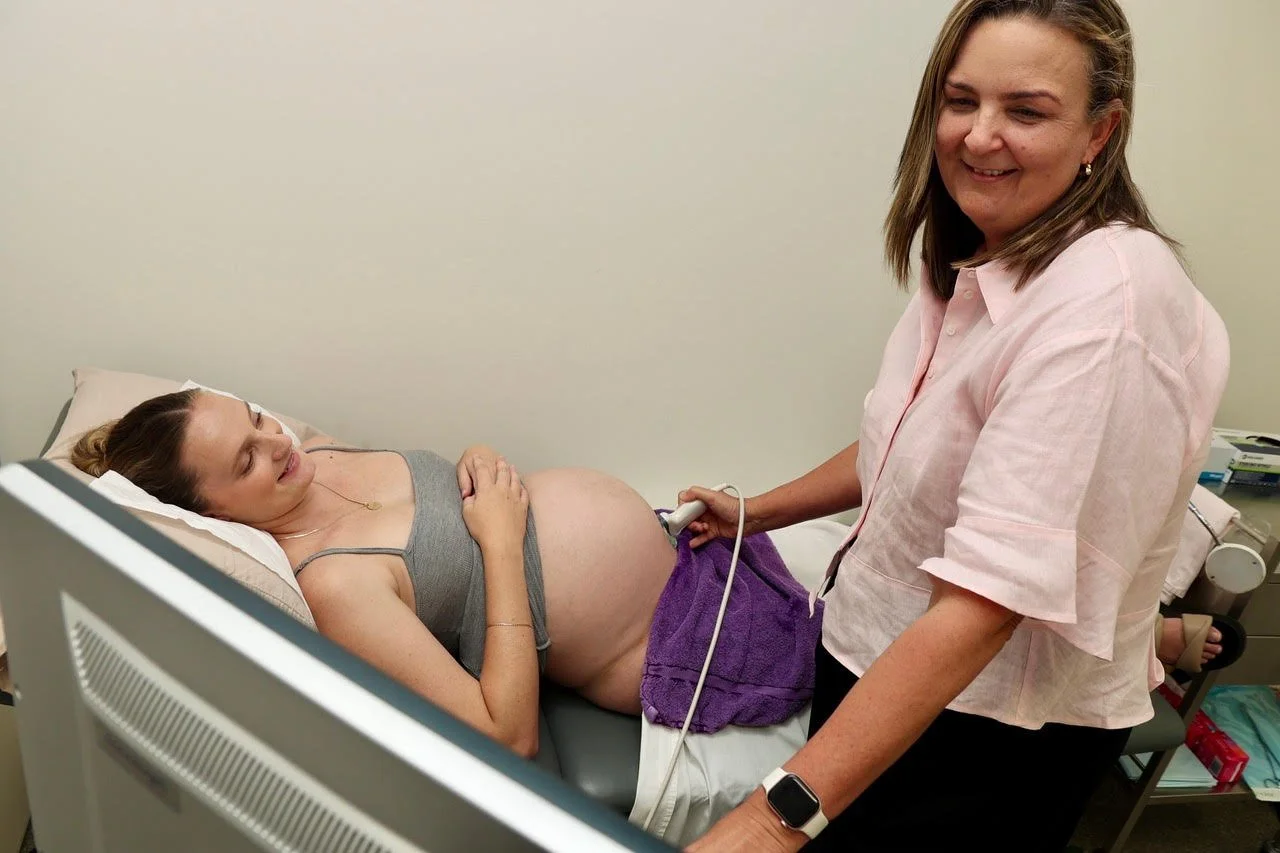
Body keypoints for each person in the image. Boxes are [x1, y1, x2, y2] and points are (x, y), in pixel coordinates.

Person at [682, 1, 1230, 851]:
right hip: (877, 660)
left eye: (1027, 110)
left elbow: (985, 603)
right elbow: (902, 449)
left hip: (988, 723)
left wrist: (773, 817)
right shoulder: (981, 256)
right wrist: (755, 511)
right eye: (961, 100)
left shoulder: (1105, 306)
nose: (978, 137)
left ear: (1101, 132)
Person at [72, 388, 681, 758]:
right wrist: (500, 541)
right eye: (246, 459)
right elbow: (505, 736)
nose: (276, 443)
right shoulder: (333, 585)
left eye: (256, 419)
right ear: (213, 514)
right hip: (664, 642)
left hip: (683, 552)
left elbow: (441, 511)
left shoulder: (319, 459)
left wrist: (476, 459)